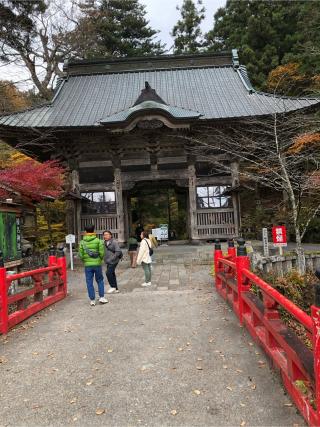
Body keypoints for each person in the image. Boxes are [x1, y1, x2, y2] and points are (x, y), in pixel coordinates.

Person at [78, 224, 108, 306]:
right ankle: (101, 297)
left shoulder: (82, 242)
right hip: (97, 264)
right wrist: (99, 260)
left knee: (89, 282)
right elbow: (102, 253)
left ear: (85, 231)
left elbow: (80, 254)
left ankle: (92, 300)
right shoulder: (98, 241)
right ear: (93, 231)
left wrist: (85, 261)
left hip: (88, 265)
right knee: (100, 280)